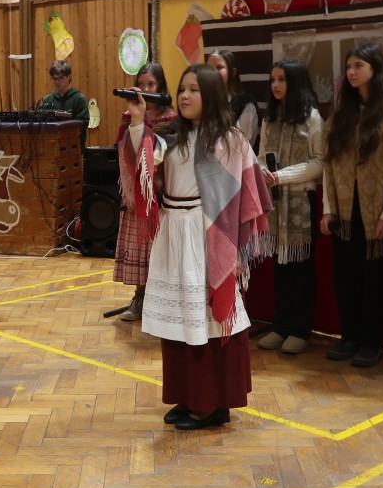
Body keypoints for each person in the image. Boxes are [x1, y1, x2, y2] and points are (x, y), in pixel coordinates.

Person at [124, 63, 271, 430]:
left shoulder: (230, 140)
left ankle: (212, 404)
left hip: (207, 236)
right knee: (179, 319)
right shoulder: (171, 135)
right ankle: (188, 396)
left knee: (206, 320)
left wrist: (236, 251)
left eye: (194, 89)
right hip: (173, 233)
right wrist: (138, 121)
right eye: (182, 89)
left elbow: (245, 197)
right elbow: (142, 162)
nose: (185, 96)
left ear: (212, 94)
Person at [320, 40, 383, 368]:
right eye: (349, 66)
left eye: (359, 66)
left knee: (373, 278)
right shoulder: (342, 111)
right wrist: (327, 209)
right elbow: (329, 162)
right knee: (345, 276)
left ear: (376, 69)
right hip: (345, 209)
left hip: (377, 209)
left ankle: (372, 342)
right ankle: (350, 336)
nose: (352, 72)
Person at [256, 58, 325, 354]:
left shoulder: (312, 118)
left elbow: (319, 163)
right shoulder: (269, 119)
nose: (275, 85)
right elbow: (260, 156)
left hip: (300, 201)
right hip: (275, 202)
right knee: (280, 267)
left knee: (301, 268)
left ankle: (300, 329)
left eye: (282, 79)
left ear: (295, 82)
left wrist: (281, 176)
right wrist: (262, 171)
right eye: (273, 79)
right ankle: (280, 326)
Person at [114, 63, 177, 322]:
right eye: (141, 84)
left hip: (159, 195)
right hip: (136, 195)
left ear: (160, 87)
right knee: (140, 247)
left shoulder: (171, 119)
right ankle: (140, 297)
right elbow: (123, 152)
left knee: (157, 250)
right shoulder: (128, 116)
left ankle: (160, 300)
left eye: (151, 84)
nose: (145, 89)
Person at [208, 48, 259, 151]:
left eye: (219, 67)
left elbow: (244, 147)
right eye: (209, 68)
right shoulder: (202, 102)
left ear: (232, 72)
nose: (212, 72)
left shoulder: (245, 105)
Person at [39, 59, 91, 146]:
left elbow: (83, 124)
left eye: (61, 78)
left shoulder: (79, 98)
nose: (57, 82)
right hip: (51, 145)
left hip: (73, 146)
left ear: (69, 77)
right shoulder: (48, 100)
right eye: (54, 78)